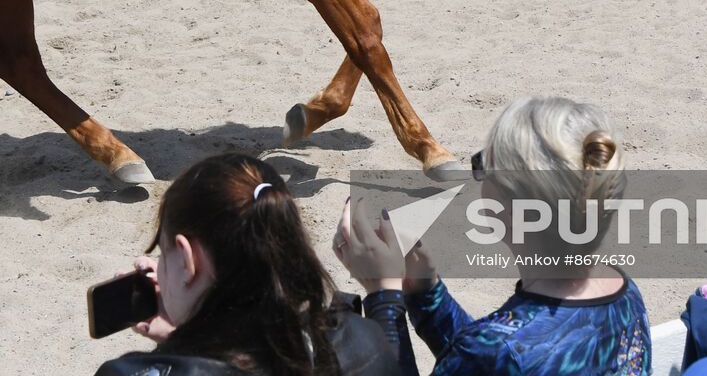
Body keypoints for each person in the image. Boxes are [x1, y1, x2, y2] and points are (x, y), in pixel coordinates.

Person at [333, 96, 650, 375]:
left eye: (484, 164)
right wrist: (426, 294)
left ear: (508, 206)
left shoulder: (493, 352)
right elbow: (496, 355)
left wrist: (384, 297)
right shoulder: (625, 296)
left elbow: (493, 356)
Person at [95, 153, 398, 376]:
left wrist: (176, 350)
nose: (158, 271)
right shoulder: (364, 346)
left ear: (188, 262)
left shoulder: (124, 373)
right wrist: (385, 293)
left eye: (162, 255)